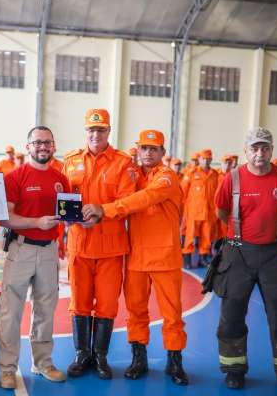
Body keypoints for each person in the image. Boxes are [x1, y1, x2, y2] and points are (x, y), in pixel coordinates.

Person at [83, 129, 189, 386]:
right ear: (138, 150)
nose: (148, 153)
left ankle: (174, 361)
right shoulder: (133, 177)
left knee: (172, 313)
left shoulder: (166, 177)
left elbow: (143, 199)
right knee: (135, 311)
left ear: (163, 153)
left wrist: (103, 210)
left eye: (154, 148)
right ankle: (138, 358)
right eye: (144, 148)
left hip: (165, 257)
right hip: (136, 257)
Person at [214, 127, 277, 394]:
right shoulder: (232, 179)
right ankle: (234, 370)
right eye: (254, 148)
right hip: (237, 251)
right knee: (232, 314)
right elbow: (222, 210)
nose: (260, 153)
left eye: (265, 148)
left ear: (271, 150)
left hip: (273, 253)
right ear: (245, 151)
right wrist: (241, 234)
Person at [62, 109, 135, 380]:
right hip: (79, 244)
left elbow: (127, 202)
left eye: (101, 130)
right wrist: (70, 218)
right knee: (79, 303)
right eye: (91, 130)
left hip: (110, 248)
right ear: (86, 131)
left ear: (108, 132)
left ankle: (101, 356)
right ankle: (82, 354)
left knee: (106, 304)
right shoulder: (69, 162)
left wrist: (101, 211)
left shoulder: (123, 163)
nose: (95, 134)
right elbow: (62, 197)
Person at [0, 125, 68, 389]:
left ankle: (43, 363)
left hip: (49, 251)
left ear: (53, 146)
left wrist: (80, 218)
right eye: (37, 142)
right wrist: (37, 222)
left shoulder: (61, 179)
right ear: (28, 147)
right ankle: (7, 368)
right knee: (10, 312)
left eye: (47, 142)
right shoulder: (15, 177)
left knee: (46, 311)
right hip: (22, 249)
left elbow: (66, 215)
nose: (42, 147)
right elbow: (4, 217)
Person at [181, 149, 219, 268]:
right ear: (200, 160)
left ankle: (202, 258)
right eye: (204, 159)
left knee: (206, 236)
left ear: (211, 160)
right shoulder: (192, 173)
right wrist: (186, 209)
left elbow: (217, 192)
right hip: (194, 211)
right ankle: (187, 258)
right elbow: (183, 192)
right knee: (190, 236)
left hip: (209, 211)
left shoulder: (214, 174)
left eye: (208, 159)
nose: (206, 161)